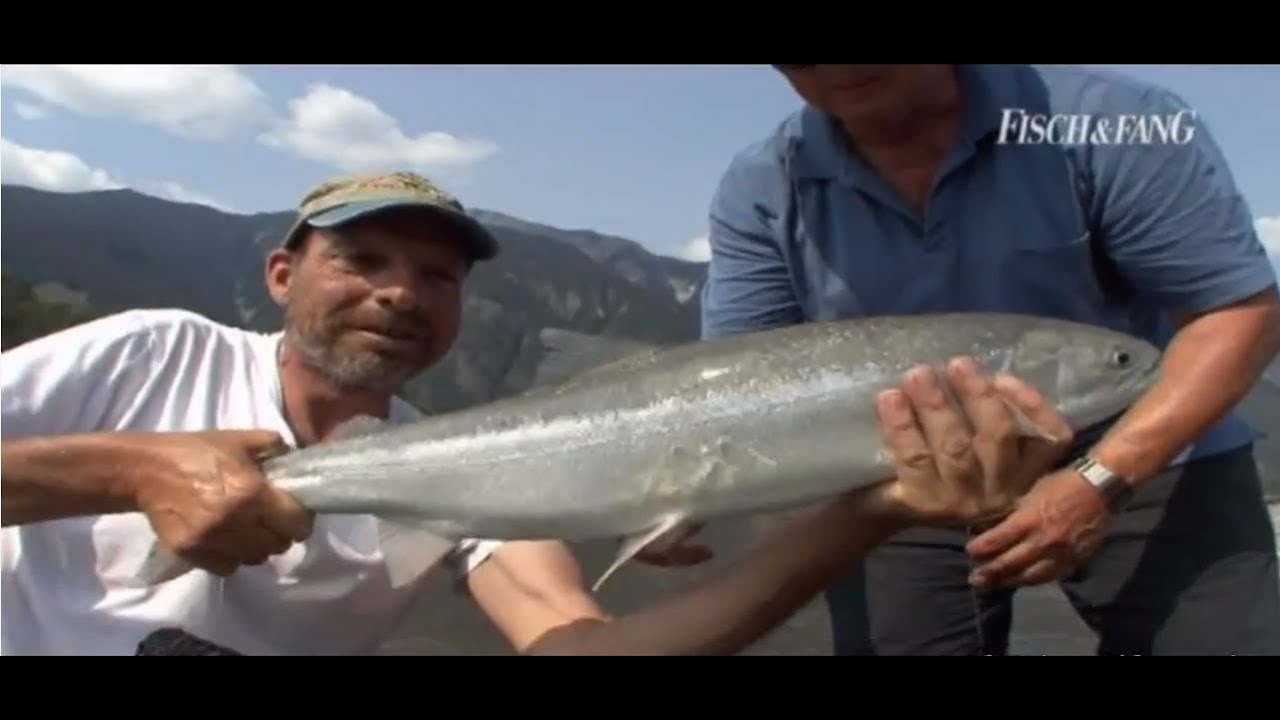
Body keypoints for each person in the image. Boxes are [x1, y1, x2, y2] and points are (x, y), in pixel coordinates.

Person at [0, 169, 1073, 656]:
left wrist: (868, 512)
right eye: (362, 261)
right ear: (280, 274)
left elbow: (579, 649)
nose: (399, 293)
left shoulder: (474, 479)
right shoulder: (146, 351)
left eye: (435, 276)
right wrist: (122, 471)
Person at [690, 64, 1280, 656]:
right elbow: (736, 380)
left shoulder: (1116, 123)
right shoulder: (762, 186)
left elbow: (1237, 314)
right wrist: (671, 491)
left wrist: (1100, 477)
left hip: (1136, 437)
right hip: (899, 469)